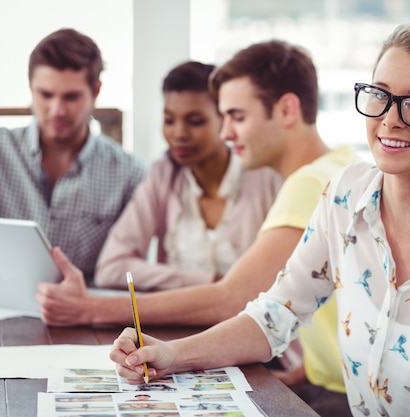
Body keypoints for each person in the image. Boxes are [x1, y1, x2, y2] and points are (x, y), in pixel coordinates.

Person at [110, 24, 410, 417]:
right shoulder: (345, 196)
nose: (389, 119)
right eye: (379, 95)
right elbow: (273, 318)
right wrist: (170, 354)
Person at [38, 40, 358, 417]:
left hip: (342, 401)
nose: (226, 133)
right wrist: (308, 373)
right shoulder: (339, 168)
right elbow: (314, 305)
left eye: (237, 117)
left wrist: (91, 310)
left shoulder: (308, 183)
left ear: (287, 109)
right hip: (326, 386)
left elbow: (233, 297)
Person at [39, 60, 280, 298]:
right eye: (169, 120)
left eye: (195, 121)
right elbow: (111, 269)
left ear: (224, 120)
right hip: (177, 329)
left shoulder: (266, 178)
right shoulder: (162, 176)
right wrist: (211, 283)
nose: (179, 134)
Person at [0, 28, 146, 282]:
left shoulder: (129, 173)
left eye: (71, 97)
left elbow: (127, 272)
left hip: (87, 315)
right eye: (45, 94)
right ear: (30, 88)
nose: (57, 110)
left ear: (96, 90)